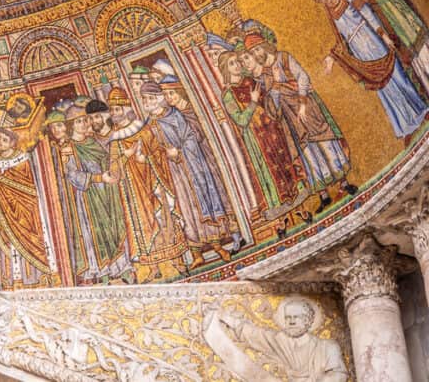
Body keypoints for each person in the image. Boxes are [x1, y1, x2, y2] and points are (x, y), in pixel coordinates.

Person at [305, 0, 428, 140]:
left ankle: (421, 109)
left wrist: (383, 35)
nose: (322, 0)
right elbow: (342, 40)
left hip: (371, 38)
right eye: (318, 0)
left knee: (396, 74)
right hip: (360, 51)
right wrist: (331, 58)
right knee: (382, 88)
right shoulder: (330, 13)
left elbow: (369, 14)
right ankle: (406, 125)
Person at [246, 33, 356, 213]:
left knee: (325, 143)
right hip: (290, 120)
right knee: (309, 154)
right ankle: (323, 194)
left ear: (265, 46)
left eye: (258, 48)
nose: (257, 54)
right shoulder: (264, 76)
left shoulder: (284, 58)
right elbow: (272, 105)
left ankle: (343, 182)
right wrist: (268, 96)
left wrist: (303, 103)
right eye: (253, 52)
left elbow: (302, 77)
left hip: (306, 108)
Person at [141, 81, 240, 268]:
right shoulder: (148, 125)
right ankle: (196, 254)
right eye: (144, 99)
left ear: (159, 98)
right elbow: (149, 149)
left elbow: (190, 137)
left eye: (150, 98)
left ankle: (218, 247)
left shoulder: (175, 115)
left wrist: (178, 152)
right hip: (171, 176)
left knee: (201, 205)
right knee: (185, 211)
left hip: (190, 168)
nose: (147, 102)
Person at [104, 86, 186, 282]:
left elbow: (158, 151)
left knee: (163, 218)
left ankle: (177, 262)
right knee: (141, 227)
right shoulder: (114, 139)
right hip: (132, 192)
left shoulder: (143, 128)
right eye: (112, 110)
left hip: (152, 182)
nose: (115, 113)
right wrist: (127, 156)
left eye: (117, 109)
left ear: (126, 108)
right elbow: (114, 169)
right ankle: (151, 268)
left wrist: (146, 158)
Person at [218, 50, 302, 218]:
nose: (238, 65)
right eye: (232, 63)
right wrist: (253, 101)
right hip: (256, 136)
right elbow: (240, 120)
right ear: (225, 69)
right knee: (269, 168)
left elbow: (270, 101)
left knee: (284, 160)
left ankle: (298, 199)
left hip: (272, 127)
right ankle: (279, 209)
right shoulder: (228, 94)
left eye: (238, 61)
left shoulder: (251, 81)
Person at [61, 101, 131, 284]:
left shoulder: (93, 140)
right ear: (71, 126)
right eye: (78, 122)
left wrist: (123, 157)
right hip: (89, 197)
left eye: (85, 120)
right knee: (97, 233)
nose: (84, 124)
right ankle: (102, 273)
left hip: (108, 192)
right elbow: (73, 175)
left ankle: (119, 270)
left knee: (114, 228)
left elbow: (108, 160)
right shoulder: (69, 148)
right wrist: (99, 178)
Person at [0, 127, 54, 288]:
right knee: (8, 244)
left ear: (13, 143)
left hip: (23, 210)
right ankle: (14, 281)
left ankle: (36, 280)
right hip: (2, 211)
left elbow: (27, 186)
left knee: (29, 241)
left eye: (4, 139)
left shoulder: (21, 159)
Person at [203, 297, 347, 382]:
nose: (291, 322)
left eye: (296, 317)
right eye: (288, 318)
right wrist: (224, 317)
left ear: (308, 320)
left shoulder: (328, 347)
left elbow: (339, 374)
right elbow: (253, 334)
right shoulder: (280, 340)